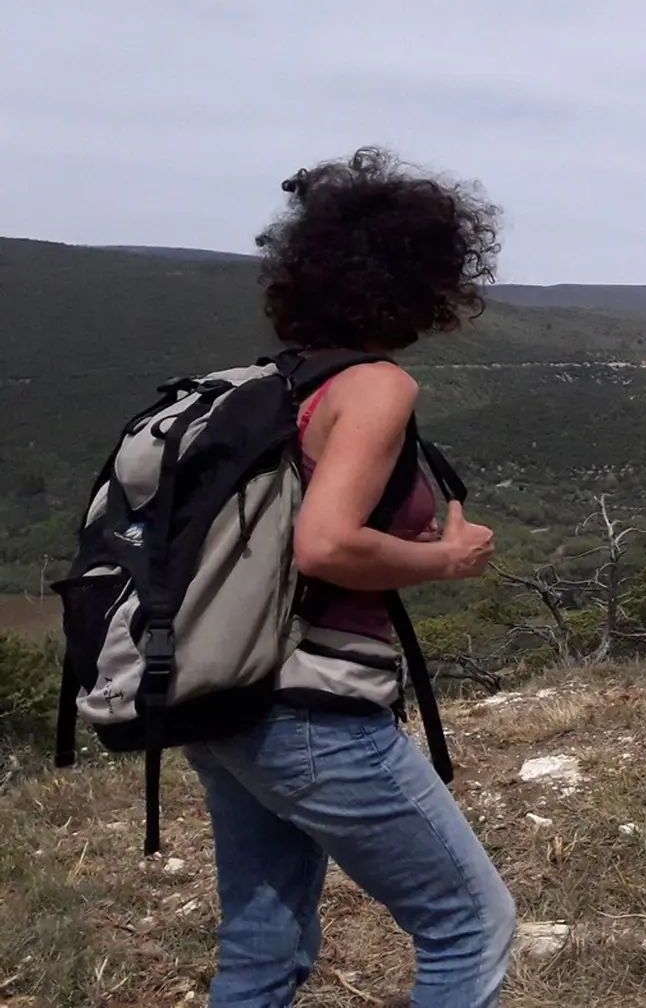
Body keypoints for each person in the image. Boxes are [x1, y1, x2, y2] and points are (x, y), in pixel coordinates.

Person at [183, 147, 517, 1007]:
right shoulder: (374, 387)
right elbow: (325, 546)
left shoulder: (264, 386)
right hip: (311, 710)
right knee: (469, 925)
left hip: (225, 701)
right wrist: (448, 559)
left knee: (262, 948)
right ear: (428, 280)